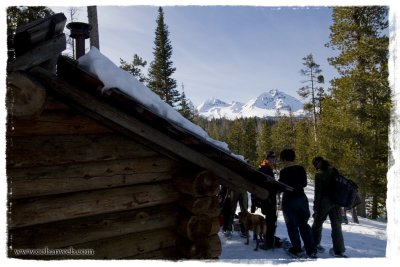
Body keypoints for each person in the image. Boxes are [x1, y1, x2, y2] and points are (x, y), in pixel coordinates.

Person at [278, 149, 316, 258]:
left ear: (284, 159)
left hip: (289, 200)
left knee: (292, 226)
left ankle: (297, 249)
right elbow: (304, 183)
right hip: (302, 199)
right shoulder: (301, 169)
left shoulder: (284, 172)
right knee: (304, 224)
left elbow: (282, 187)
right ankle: (311, 250)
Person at [311, 156, 346, 257]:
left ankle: (314, 244)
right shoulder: (333, 170)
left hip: (324, 203)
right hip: (336, 201)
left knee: (317, 223)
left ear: (317, 164)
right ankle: (338, 250)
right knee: (336, 226)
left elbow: (318, 193)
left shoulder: (319, 175)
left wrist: (315, 207)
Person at [255, 151, 283, 250]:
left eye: (274, 158)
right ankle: (269, 243)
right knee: (271, 221)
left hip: (268, 199)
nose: (274, 159)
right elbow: (266, 186)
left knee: (270, 220)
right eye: (272, 158)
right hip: (268, 200)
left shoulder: (266, 168)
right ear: (267, 158)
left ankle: (269, 240)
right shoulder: (265, 169)